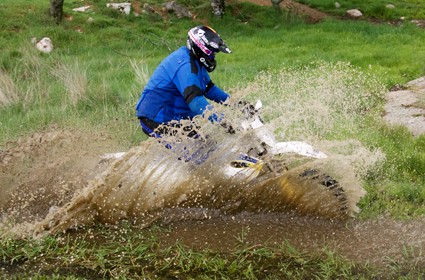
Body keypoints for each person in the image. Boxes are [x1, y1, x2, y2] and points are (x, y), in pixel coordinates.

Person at [135, 25, 234, 139]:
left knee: (207, 144)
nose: (213, 57)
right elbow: (196, 102)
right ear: (201, 49)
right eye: (211, 53)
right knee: (197, 153)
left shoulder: (195, 61)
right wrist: (222, 122)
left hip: (174, 115)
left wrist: (237, 103)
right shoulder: (186, 66)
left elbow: (209, 89)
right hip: (156, 118)